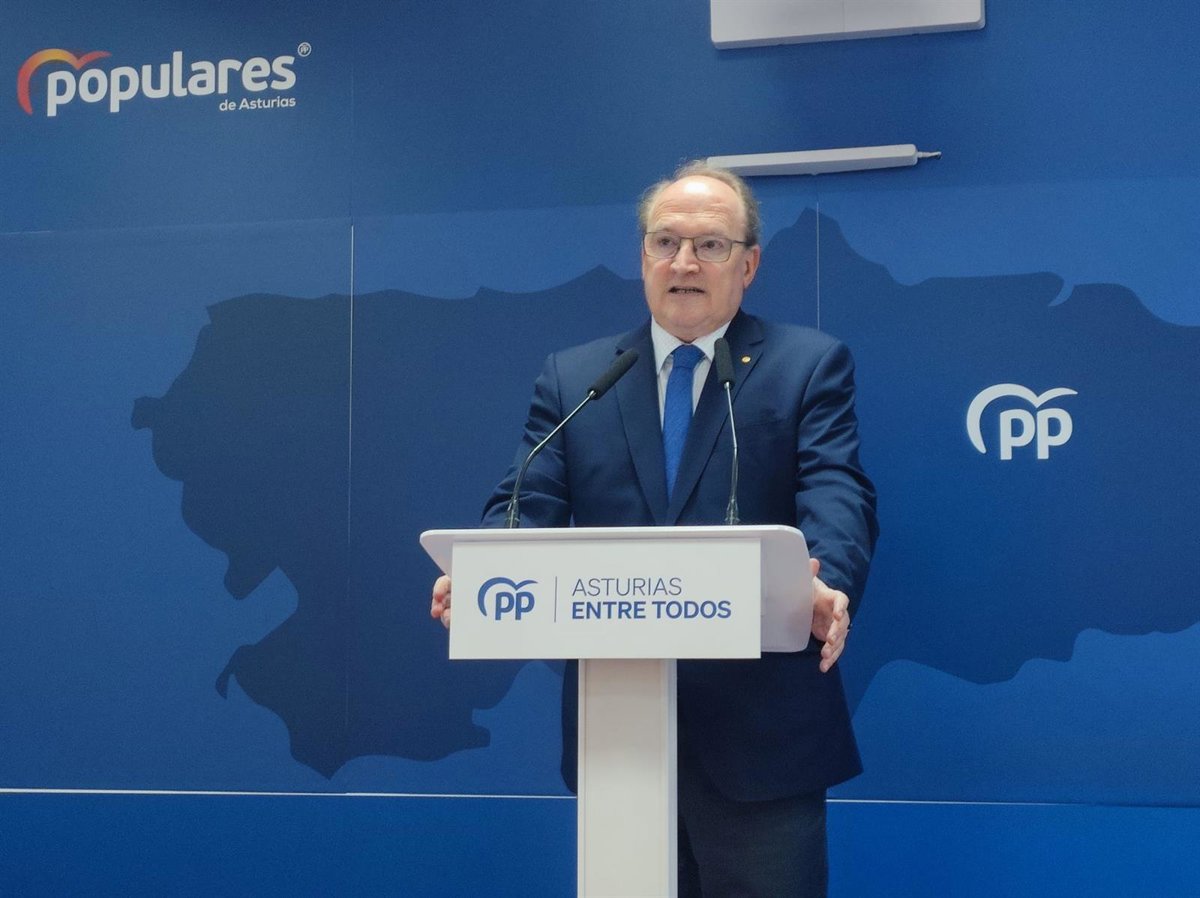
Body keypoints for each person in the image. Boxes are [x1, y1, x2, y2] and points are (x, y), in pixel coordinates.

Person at [431, 161, 878, 896]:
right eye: (666, 242)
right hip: (619, 738)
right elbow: (525, 497)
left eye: (710, 245)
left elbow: (836, 489)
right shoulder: (577, 378)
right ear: (643, 257)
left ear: (748, 265)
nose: (684, 263)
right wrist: (481, 574)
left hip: (761, 737)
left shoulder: (805, 366)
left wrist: (823, 580)